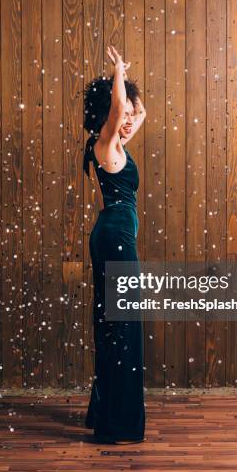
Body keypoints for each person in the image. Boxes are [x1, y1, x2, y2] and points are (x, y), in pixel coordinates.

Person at [83, 45, 147, 444]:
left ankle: (105, 409)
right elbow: (122, 107)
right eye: (120, 116)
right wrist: (118, 75)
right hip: (115, 241)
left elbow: (139, 112)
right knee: (120, 327)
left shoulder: (118, 142)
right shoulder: (103, 144)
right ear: (109, 113)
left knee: (117, 326)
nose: (128, 122)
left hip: (115, 237)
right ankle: (115, 421)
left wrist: (132, 104)